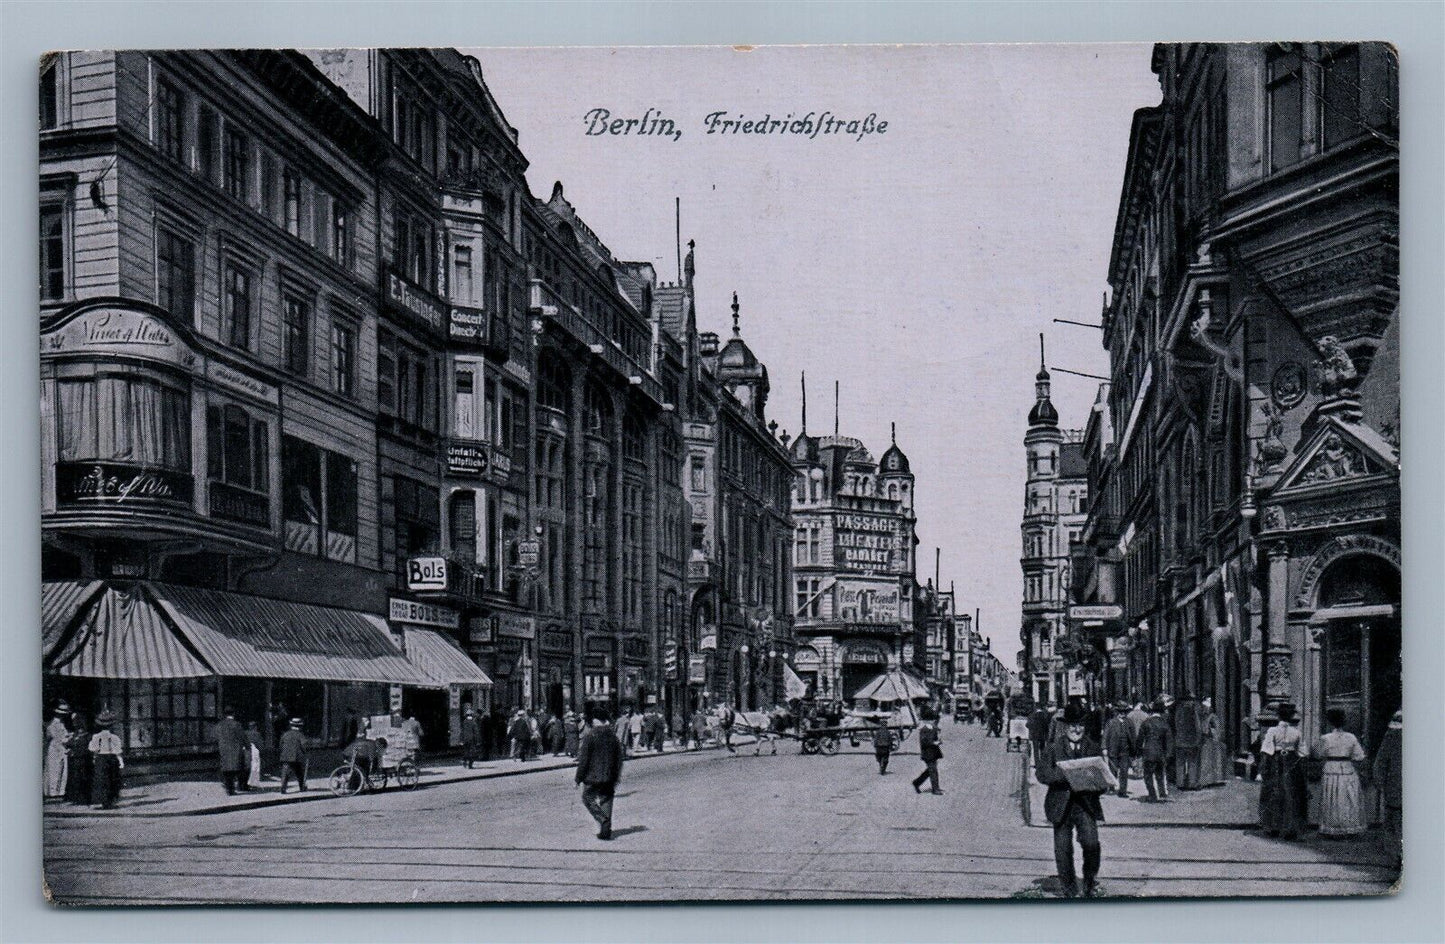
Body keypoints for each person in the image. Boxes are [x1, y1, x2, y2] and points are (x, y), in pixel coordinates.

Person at [1036, 703, 1106, 898]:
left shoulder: (1093, 747)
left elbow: (1103, 780)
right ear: (1065, 726)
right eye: (1073, 725)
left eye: (1080, 725)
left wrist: (1097, 782)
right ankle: (1069, 890)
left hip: (1085, 804)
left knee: (1091, 844)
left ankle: (1089, 883)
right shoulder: (1053, 748)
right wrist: (1066, 774)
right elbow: (1042, 774)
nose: (1077, 730)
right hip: (1060, 804)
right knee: (1063, 849)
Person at [1258, 702, 1308, 840]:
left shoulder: (1272, 731)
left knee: (1274, 792)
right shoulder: (1297, 732)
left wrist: (1263, 769)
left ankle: (1273, 826)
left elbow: (1267, 750)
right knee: (1291, 794)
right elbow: (1302, 752)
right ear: (1292, 716)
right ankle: (1290, 828)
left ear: (1278, 716)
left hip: (1276, 762)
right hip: (1292, 762)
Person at [1315, 707, 1367, 838]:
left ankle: (1332, 828)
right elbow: (1359, 756)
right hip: (1347, 769)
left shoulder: (1325, 738)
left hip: (1331, 769)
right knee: (1348, 799)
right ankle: (1348, 828)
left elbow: (1319, 754)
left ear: (1329, 722)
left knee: (1332, 799)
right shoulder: (1351, 737)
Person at [575, 707, 625, 841]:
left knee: (587, 798)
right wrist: (616, 776)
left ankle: (602, 819)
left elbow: (584, 760)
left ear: (595, 720)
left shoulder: (590, 736)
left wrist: (578, 778)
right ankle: (605, 831)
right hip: (610, 776)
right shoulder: (613, 736)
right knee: (606, 799)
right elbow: (619, 759)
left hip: (593, 776)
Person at [1372, 709, 1402, 865]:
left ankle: (1398, 857)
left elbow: (1381, 762)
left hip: (1396, 787)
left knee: (1395, 824)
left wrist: (1379, 782)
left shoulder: (1392, 735)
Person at [1137, 700, 1172, 801]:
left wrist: (1138, 751)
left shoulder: (1146, 723)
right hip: (1160, 753)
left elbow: (1140, 739)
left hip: (1148, 752)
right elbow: (1169, 740)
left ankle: (1152, 795)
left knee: (1148, 775)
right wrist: (1168, 754)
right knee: (1160, 774)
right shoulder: (1165, 724)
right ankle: (1162, 793)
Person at [88, 710, 124, 809]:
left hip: (101, 758)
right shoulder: (115, 737)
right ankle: (110, 801)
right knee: (112, 779)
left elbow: (93, 749)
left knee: (101, 780)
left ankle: (102, 801)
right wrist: (121, 761)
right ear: (111, 726)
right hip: (111, 758)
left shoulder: (96, 737)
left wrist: (95, 758)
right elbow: (118, 751)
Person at [1102, 702, 1135, 798]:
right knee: (1113, 769)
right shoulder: (1111, 722)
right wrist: (1104, 747)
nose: (1122, 714)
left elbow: (1133, 737)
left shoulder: (1129, 722)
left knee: (1124, 770)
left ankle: (1122, 791)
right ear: (1117, 712)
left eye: (1124, 712)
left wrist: (1134, 750)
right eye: (1120, 712)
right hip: (1113, 749)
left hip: (1125, 750)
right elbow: (1105, 735)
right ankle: (1111, 787)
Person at [1173, 694, 1203, 790]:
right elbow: (1198, 726)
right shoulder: (1194, 710)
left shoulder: (1178, 709)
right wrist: (1199, 738)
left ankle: (1180, 783)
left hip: (1180, 740)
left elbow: (1176, 724)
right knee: (1193, 762)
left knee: (1180, 762)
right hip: (1192, 741)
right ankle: (1192, 783)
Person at [216, 707, 247, 795]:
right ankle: (232, 788)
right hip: (235, 751)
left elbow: (215, 737)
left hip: (223, 750)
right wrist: (247, 746)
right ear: (233, 714)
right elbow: (243, 737)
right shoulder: (237, 724)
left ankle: (228, 788)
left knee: (226, 770)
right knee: (234, 770)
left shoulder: (220, 725)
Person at [44, 702, 71, 799]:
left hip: (61, 748)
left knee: (61, 769)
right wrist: (69, 738)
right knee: (54, 769)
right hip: (55, 748)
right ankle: (53, 791)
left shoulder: (61, 724)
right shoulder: (53, 724)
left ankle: (59, 791)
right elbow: (58, 738)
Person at [64, 714, 93, 806]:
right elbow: (69, 744)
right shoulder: (75, 735)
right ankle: (76, 798)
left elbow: (88, 749)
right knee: (75, 779)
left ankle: (84, 799)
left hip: (84, 760)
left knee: (83, 778)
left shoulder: (87, 736)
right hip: (75, 760)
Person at [912, 713, 943, 794]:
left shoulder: (933, 728)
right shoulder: (924, 729)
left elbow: (935, 738)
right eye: (934, 720)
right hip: (927, 753)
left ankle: (917, 782)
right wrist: (934, 743)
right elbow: (923, 742)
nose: (935, 722)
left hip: (933, 752)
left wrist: (938, 740)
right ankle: (935, 789)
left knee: (930, 770)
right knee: (933, 770)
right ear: (928, 721)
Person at [1197, 698, 1226, 786]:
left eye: (1205, 707)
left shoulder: (1213, 717)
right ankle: (1207, 780)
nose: (1204, 709)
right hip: (1207, 740)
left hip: (1211, 740)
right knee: (1207, 760)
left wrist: (1211, 732)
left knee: (1212, 760)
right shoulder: (1204, 717)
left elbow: (1217, 729)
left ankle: (1214, 779)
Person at [279, 717, 307, 793]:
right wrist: (305, 752)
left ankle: (283, 787)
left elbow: (281, 745)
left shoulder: (285, 734)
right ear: (300, 726)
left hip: (285, 756)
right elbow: (304, 745)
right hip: (296, 757)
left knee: (285, 772)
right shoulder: (300, 735)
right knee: (299, 772)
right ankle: (302, 787)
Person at [245, 721, 264, 790]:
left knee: (247, 767)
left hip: (246, 751)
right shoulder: (257, 734)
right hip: (254, 751)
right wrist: (262, 751)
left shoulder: (245, 733)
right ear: (255, 727)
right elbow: (260, 745)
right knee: (255, 767)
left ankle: (246, 783)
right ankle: (253, 783)